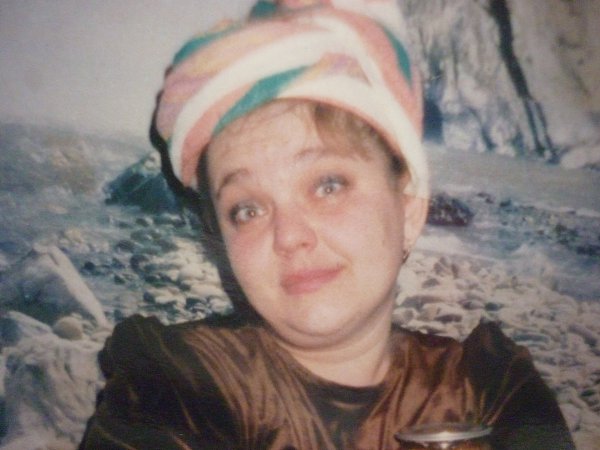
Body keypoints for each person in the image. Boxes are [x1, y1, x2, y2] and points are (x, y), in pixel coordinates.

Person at [79, 1, 575, 448]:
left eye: (328, 185)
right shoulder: (178, 386)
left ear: (409, 210)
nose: (289, 236)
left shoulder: (488, 388)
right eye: (247, 209)